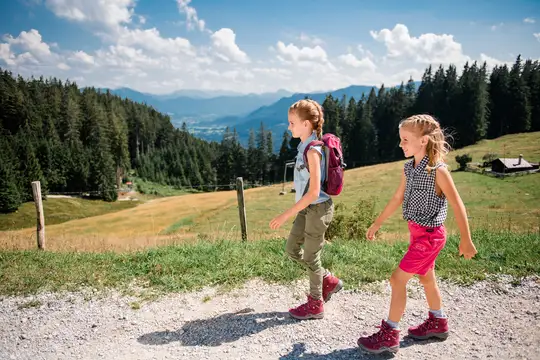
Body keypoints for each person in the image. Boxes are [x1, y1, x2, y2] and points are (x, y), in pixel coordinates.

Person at [357, 114, 478, 354]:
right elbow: (397, 198)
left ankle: (389, 334)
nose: (401, 145)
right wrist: (376, 223)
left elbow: (457, 204)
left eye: (405, 140)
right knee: (426, 278)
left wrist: (466, 239)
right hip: (417, 234)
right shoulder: (409, 167)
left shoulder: (438, 171)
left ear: (423, 140)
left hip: (430, 237)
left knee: (397, 279)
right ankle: (438, 322)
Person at [269, 99, 343, 320]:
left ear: (307, 124)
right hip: (307, 208)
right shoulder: (303, 147)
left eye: (292, 123)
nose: (289, 127)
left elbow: (313, 192)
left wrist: (285, 215)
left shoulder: (313, 151)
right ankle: (327, 279)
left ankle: (315, 304)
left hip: (318, 209)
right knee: (292, 249)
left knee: (311, 256)